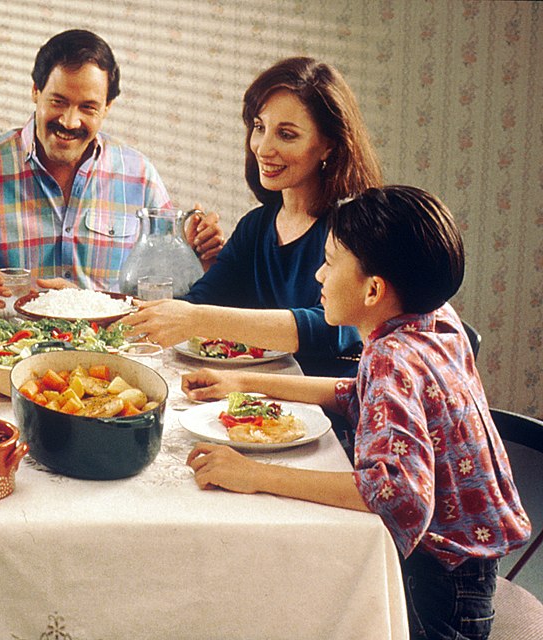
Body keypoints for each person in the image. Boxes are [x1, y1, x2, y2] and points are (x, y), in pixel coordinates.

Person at [184, 186, 531, 640]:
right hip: (469, 567)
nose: (318, 275)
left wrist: (252, 473)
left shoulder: (393, 358)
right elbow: (358, 392)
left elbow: (395, 495)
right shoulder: (434, 319)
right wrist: (244, 382)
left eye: (329, 262)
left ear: (372, 290)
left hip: (438, 583)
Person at [0, 29, 225, 312]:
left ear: (107, 108)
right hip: (8, 351)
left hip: (111, 355)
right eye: (58, 101)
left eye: (88, 108)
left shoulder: (139, 175)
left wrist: (194, 253)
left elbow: (164, 289)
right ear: (35, 92)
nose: (69, 121)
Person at [123, 56, 383, 377]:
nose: (263, 147)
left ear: (328, 146)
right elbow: (199, 301)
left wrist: (199, 318)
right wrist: (89, 307)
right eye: (260, 127)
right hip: (258, 401)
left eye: (286, 134)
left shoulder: (353, 232)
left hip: (335, 410)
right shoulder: (256, 226)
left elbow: (333, 327)